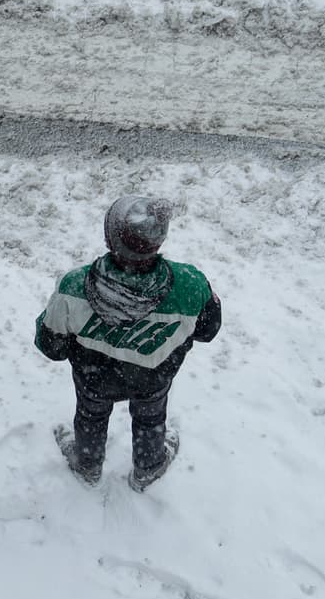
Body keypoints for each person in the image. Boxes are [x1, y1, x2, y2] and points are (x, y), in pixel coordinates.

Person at [35, 195, 221, 491]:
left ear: (109, 239)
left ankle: (87, 465)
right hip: (154, 377)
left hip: (93, 379)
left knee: (90, 416)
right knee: (151, 418)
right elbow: (208, 330)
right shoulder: (191, 284)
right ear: (158, 241)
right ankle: (148, 468)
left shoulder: (73, 287)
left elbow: (51, 346)